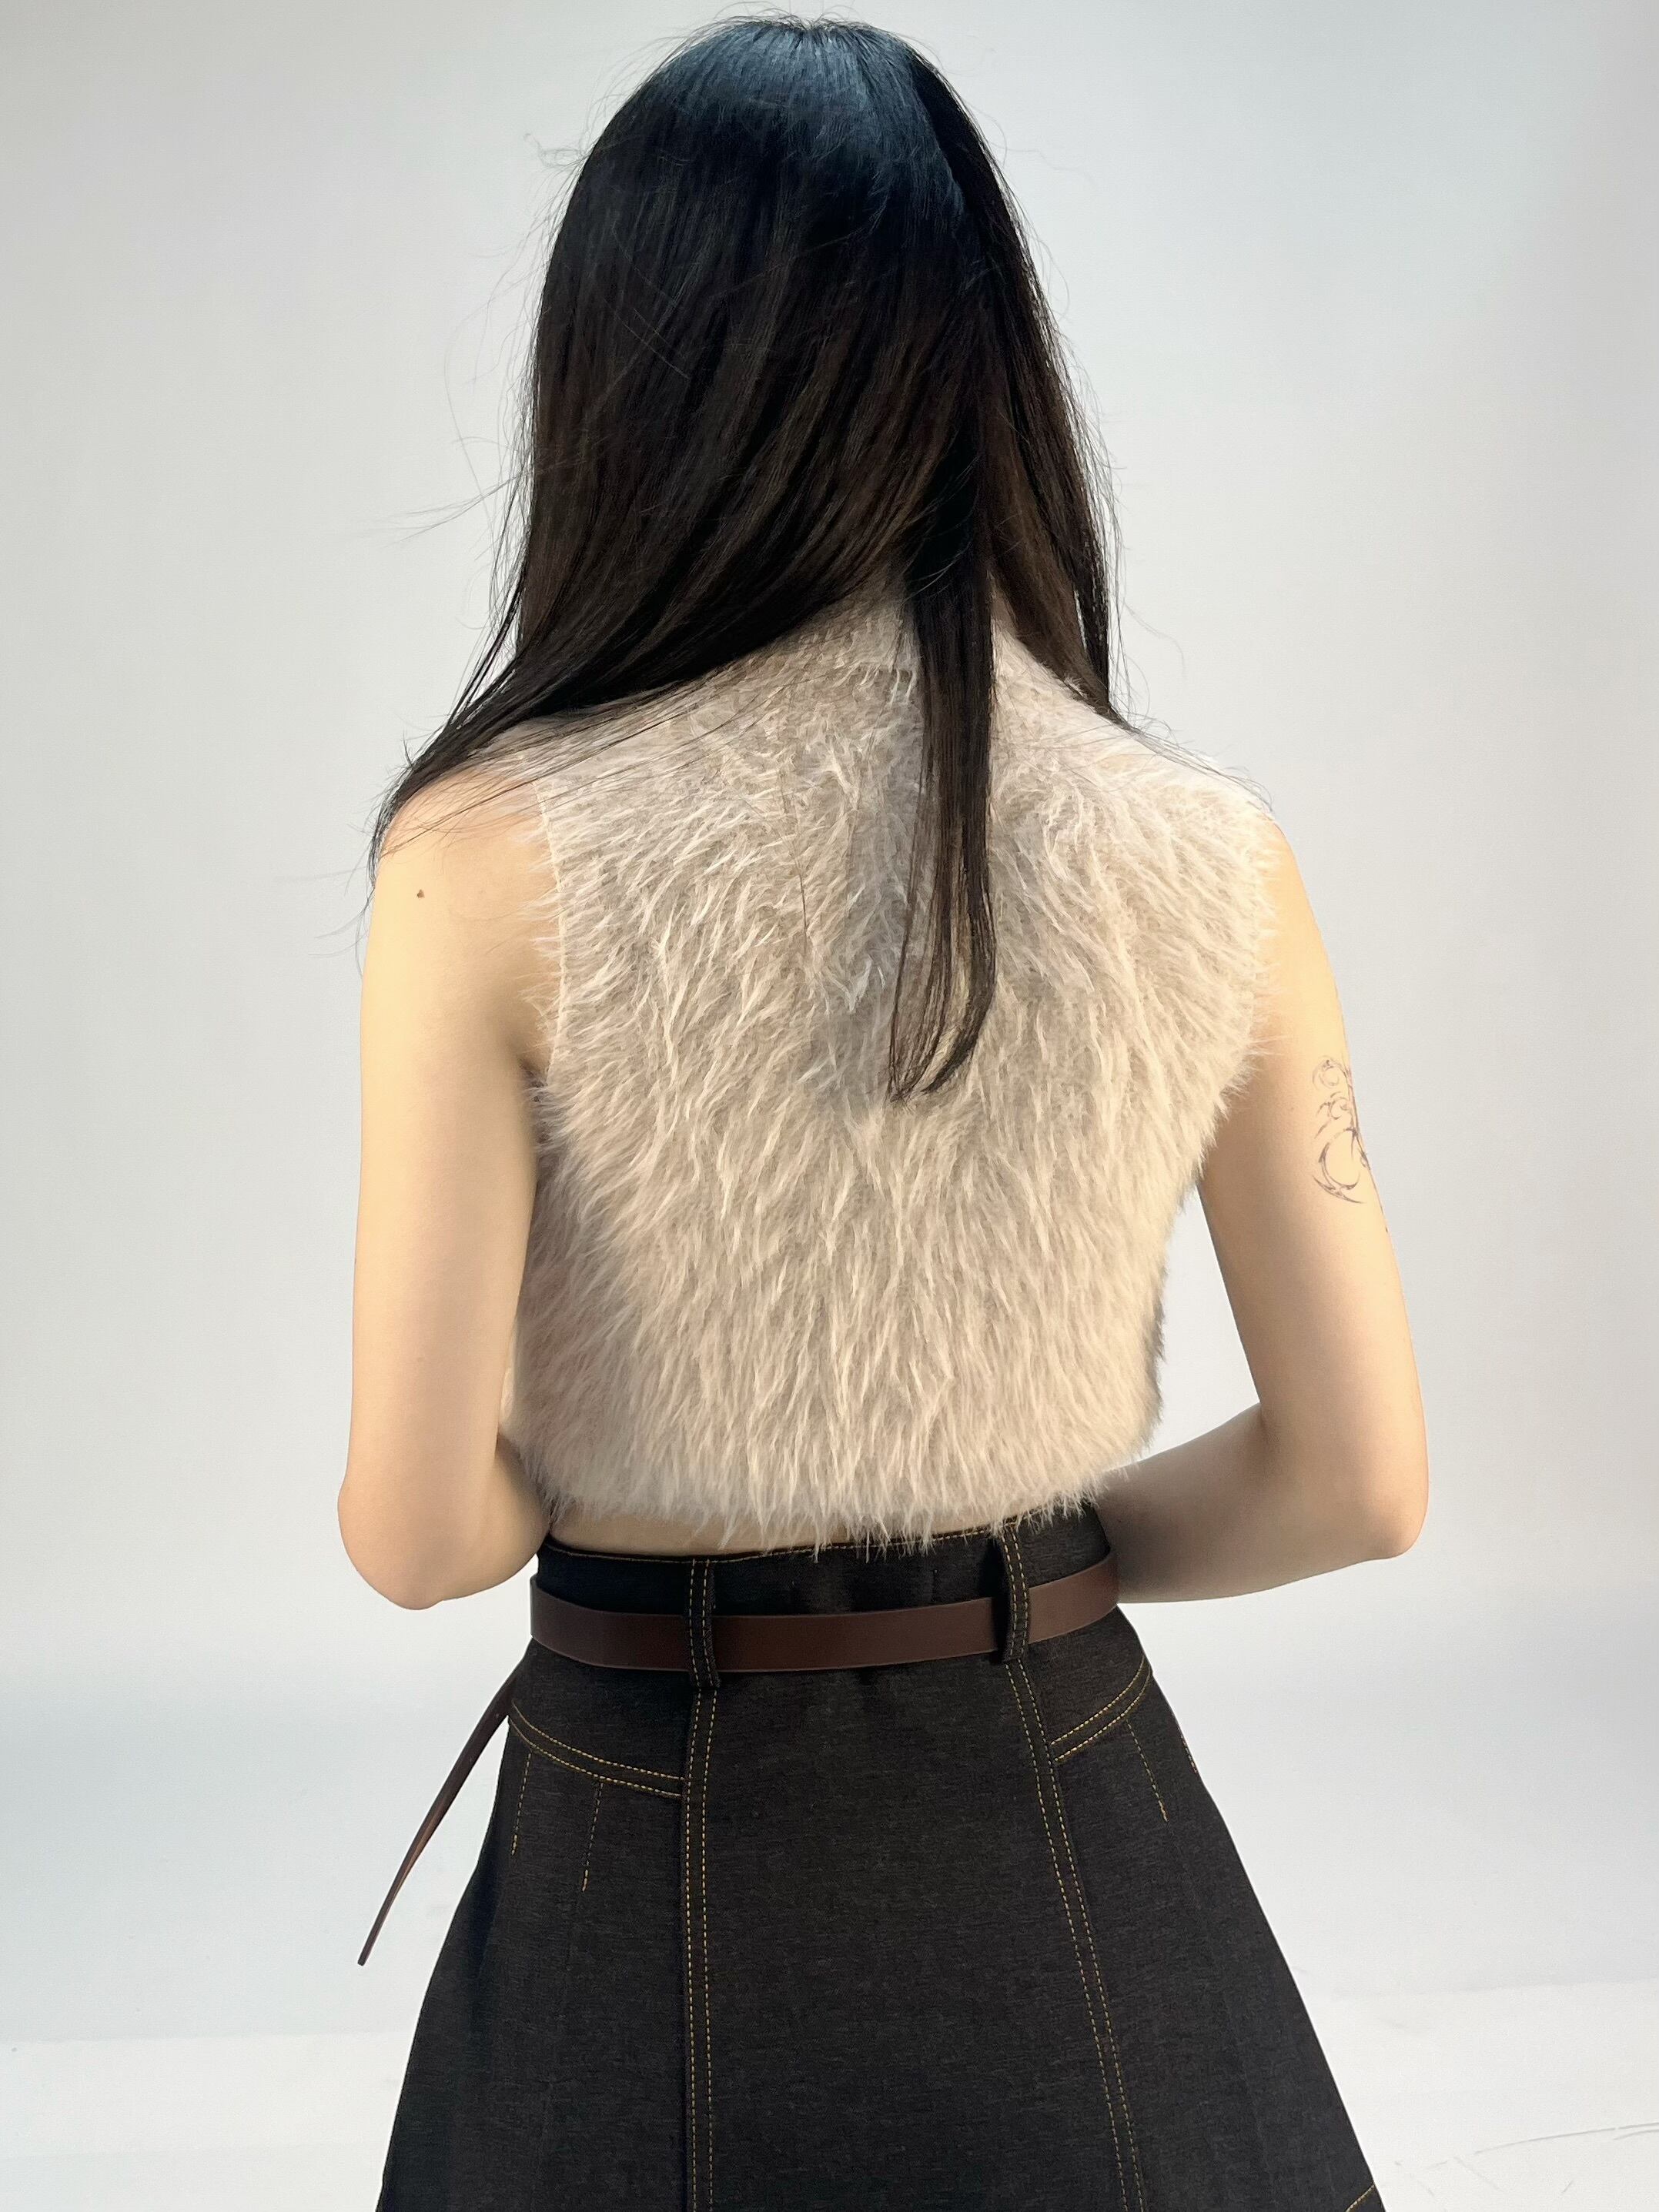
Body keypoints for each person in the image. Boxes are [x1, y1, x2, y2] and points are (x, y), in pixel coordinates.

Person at [339, 17, 1426, 2210]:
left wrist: (662, 1468)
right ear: (986, 374)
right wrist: (1006, 1558)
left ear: (614, 383)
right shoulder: (1209, 859)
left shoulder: (483, 858)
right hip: (1067, 1823)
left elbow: (419, 1534)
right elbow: (1360, 1483)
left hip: (639, 1849)